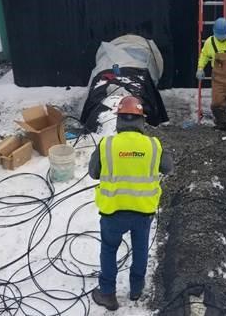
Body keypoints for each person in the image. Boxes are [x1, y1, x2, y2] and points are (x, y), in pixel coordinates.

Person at [88, 96, 174, 310]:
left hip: (113, 210)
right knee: (140, 249)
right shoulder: (153, 145)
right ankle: (136, 290)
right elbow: (168, 168)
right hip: (142, 211)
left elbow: (93, 173)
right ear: (140, 120)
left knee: (109, 250)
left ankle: (107, 294)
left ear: (118, 120)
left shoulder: (107, 144)